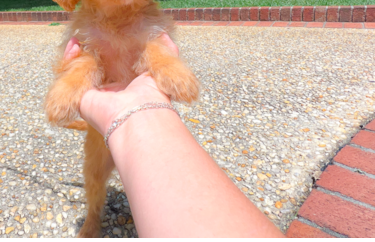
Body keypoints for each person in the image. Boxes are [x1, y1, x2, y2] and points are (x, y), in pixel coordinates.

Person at [64, 33, 286, 238]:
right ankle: (93, 217)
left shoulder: (149, 28)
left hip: (137, 121)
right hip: (97, 136)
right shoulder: (87, 31)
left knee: (149, 172)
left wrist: (157, 71)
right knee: (94, 176)